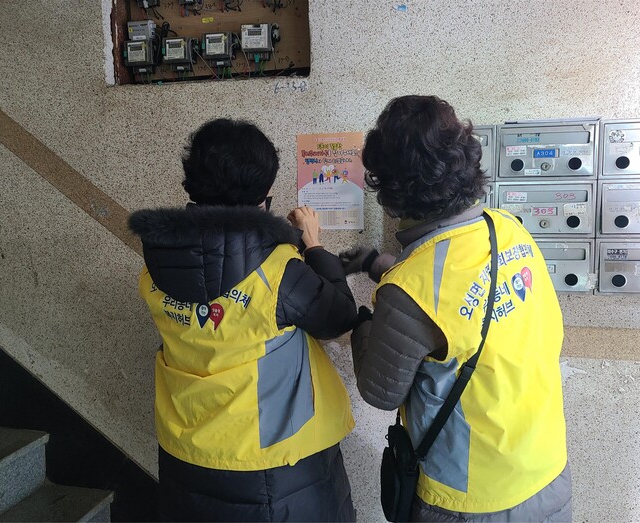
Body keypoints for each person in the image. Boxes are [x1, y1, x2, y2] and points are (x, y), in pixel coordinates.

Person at [341, 96, 571, 522]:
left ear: (391, 194)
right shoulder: (508, 230)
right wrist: (377, 265)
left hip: (469, 501)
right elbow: (460, 296)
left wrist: (361, 324)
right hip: (546, 475)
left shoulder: (408, 289)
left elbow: (380, 391)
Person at [129, 118, 357, 522]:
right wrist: (315, 245)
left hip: (186, 460)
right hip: (274, 470)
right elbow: (339, 315)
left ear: (191, 186)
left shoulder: (155, 269)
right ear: (264, 198)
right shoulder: (278, 270)